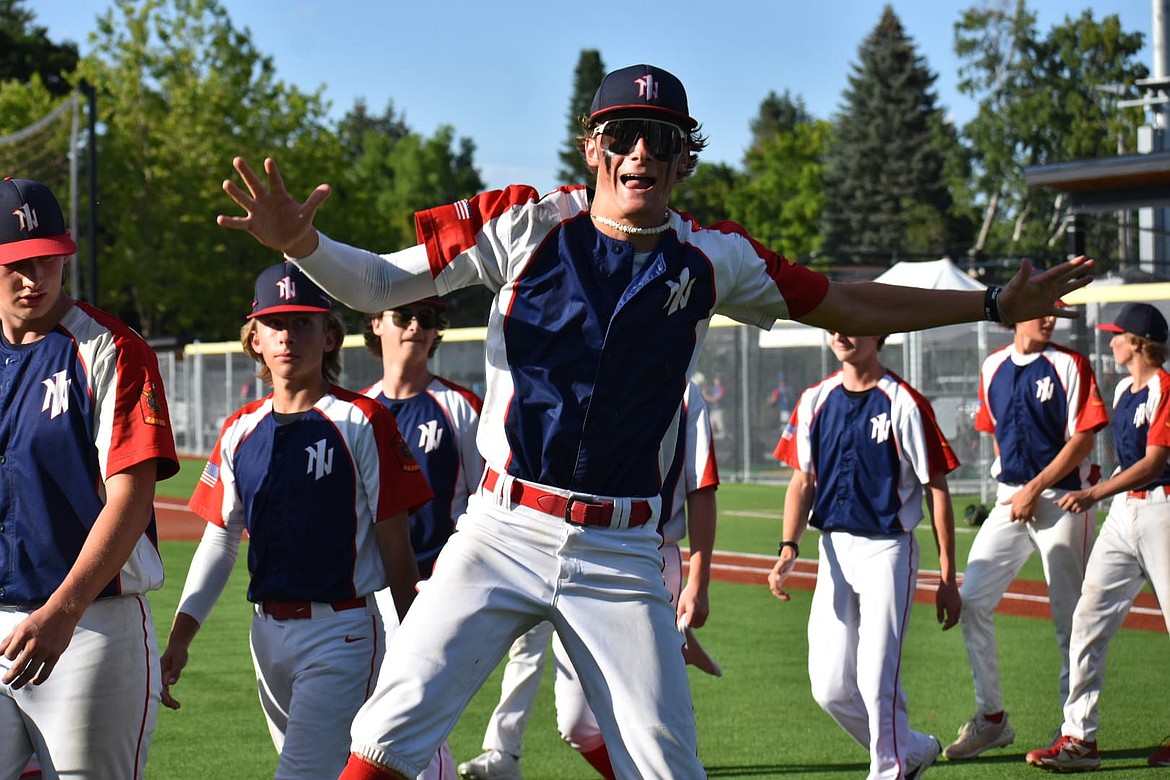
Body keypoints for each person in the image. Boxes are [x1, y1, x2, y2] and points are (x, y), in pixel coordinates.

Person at [214, 63, 1093, 780]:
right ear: (593, 147)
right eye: (624, 134)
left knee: (669, 769)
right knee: (385, 735)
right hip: (502, 526)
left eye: (661, 140)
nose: (641, 150)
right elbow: (378, 286)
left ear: (683, 162)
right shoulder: (525, 225)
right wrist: (304, 247)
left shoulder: (714, 259)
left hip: (620, 551)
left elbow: (841, 300)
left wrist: (984, 300)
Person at [159, 262, 433, 779]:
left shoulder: (363, 420)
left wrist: (416, 646)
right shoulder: (240, 429)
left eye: (304, 322)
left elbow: (396, 542)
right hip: (265, 636)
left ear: (330, 336)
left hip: (342, 633)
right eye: (275, 323)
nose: (288, 336)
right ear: (254, 339)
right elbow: (219, 543)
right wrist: (181, 635)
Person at [0, 176, 180, 777]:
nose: (34, 277)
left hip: (90, 628)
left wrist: (63, 611)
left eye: (48, 258)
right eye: (17, 262)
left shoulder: (110, 349)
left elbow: (131, 498)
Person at [458, 380, 721, 780]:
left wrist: (698, 580)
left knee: (654, 716)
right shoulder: (582, 364)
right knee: (578, 724)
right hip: (568, 549)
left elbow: (700, 486)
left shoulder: (683, 390)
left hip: (647, 553)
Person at [767, 332, 961, 779]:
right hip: (833, 548)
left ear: (878, 334)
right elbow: (802, 481)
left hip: (888, 549)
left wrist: (947, 577)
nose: (840, 334)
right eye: (833, 325)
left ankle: (888, 770)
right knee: (831, 688)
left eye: (852, 325)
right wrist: (788, 548)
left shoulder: (904, 402)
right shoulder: (816, 398)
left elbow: (936, 488)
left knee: (878, 678)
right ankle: (911, 751)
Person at [943, 310, 1108, 761]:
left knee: (1070, 620)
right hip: (1011, 499)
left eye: (1056, 309)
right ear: (1016, 314)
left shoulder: (1070, 363)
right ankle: (991, 719)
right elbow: (995, 433)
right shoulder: (992, 365)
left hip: (1063, 499)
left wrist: (1036, 488)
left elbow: (1083, 440)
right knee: (973, 600)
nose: (1050, 317)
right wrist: (1017, 490)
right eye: (1040, 308)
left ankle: (1076, 734)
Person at [1025, 302, 1170, 772]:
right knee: (1086, 617)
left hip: (1163, 510)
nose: (1110, 341)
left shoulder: (1166, 388)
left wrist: (1095, 493)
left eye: (1117, 335)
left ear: (1138, 343)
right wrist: (1108, 495)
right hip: (1125, 514)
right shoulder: (1126, 388)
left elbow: (1153, 462)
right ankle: (1079, 740)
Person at [361, 297, 484, 579]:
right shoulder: (358, 411)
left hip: (442, 579)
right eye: (404, 316)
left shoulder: (462, 406)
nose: (416, 326)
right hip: (374, 581)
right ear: (377, 322)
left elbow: (484, 502)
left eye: (426, 318)